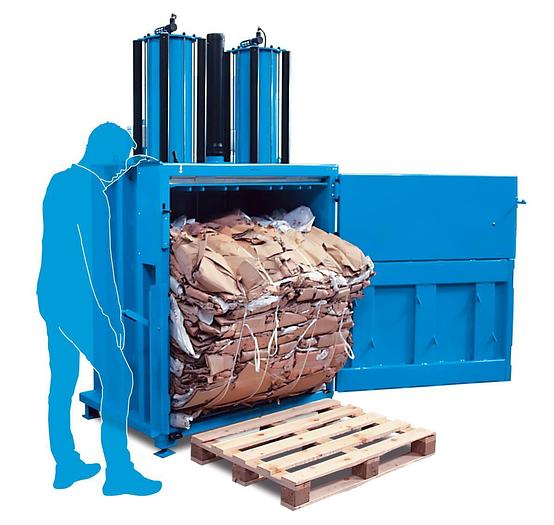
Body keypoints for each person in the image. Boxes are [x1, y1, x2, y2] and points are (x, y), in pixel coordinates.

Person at [37, 122, 161, 496]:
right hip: (79, 302)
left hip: (51, 298)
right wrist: (113, 316)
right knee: (120, 378)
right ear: (106, 154)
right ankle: (119, 473)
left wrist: (132, 165)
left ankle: (66, 465)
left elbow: (96, 182)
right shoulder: (93, 194)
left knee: (62, 382)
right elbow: (100, 265)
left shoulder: (59, 181)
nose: (121, 167)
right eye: (120, 160)